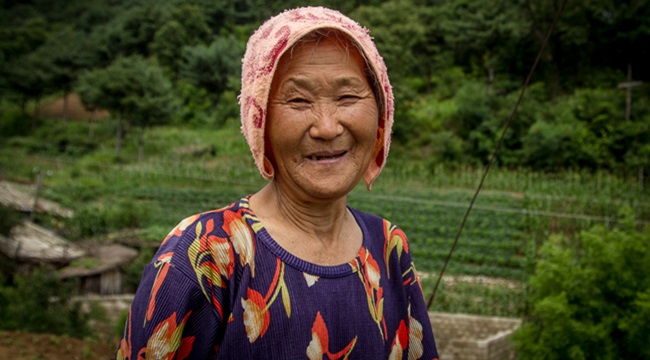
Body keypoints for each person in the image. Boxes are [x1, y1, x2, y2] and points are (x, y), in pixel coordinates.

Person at [117, 6, 438, 359]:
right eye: (298, 100)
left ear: (381, 113)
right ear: (260, 121)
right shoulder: (205, 253)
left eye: (347, 97)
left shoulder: (389, 248)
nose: (327, 127)